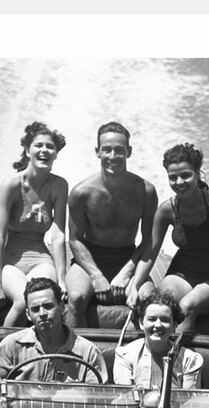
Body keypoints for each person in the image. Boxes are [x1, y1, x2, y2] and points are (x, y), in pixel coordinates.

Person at [127, 142, 209, 333]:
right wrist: (135, 286)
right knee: (162, 308)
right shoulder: (167, 210)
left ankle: (177, 358)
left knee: (187, 306)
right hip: (181, 274)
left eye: (185, 175)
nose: (179, 182)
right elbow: (150, 253)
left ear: (197, 172)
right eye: (173, 177)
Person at [65, 121, 158, 326]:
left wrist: (127, 272)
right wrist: (96, 276)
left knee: (148, 300)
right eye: (107, 150)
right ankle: (71, 356)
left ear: (129, 152)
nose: (112, 157)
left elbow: (149, 240)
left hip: (128, 257)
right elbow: (74, 239)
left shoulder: (146, 191)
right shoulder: (81, 193)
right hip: (89, 259)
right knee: (77, 297)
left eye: (119, 150)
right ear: (97, 152)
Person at [0, 121, 69, 327]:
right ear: (27, 150)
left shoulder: (59, 186)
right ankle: (4, 350)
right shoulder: (12, 185)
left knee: (45, 302)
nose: (44, 150)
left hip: (41, 259)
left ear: (56, 153)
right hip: (11, 260)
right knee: (23, 300)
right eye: (39, 145)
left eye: (50, 147)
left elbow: (58, 236)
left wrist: (62, 280)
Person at [0, 277, 108, 383]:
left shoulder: (88, 353)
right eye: (35, 309)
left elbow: (97, 401)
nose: (42, 313)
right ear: (28, 315)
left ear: (61, 307)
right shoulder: (12, 345)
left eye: (48, 306)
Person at [113, 290, 203, 389]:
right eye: (152, 319)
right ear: (141, 323)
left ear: (174, 325)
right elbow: (126, 397)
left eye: (165, 320)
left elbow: (188, 401)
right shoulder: (125, 355)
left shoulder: (189, 360)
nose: (158, 325)